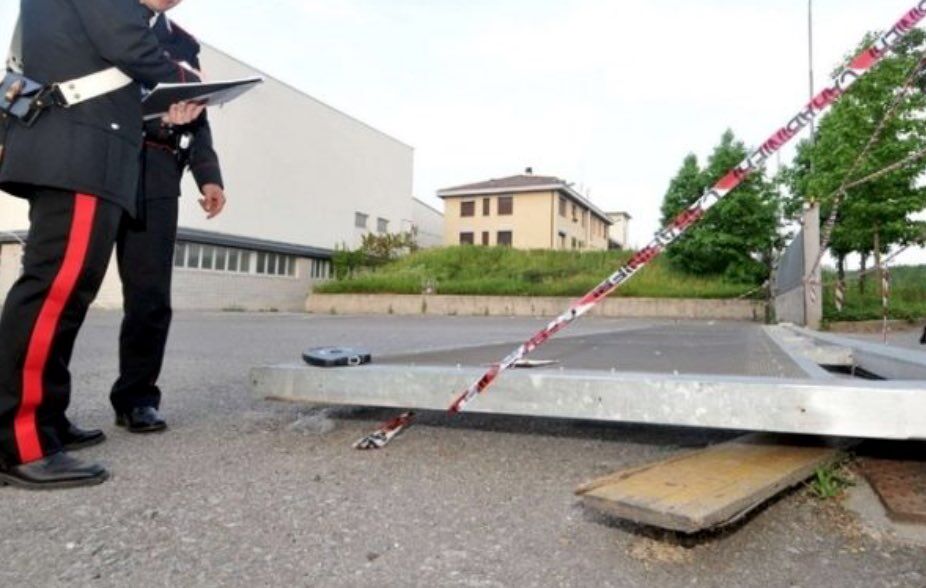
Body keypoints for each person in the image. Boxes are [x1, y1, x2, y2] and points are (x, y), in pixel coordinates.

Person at [0, 0, 203, 490]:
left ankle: (46, 419)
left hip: (86, 149)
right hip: (81, 149)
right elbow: (129, 44)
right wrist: (187, 82)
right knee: (53, 295)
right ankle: (18, 440)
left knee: (67, 298)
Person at [110, 3, 226, 433]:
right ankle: (46, 407)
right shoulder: (105, 18)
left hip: (156, 173)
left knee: (150, 296)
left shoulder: (184, 44)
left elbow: (197, 114)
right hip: (100, 161)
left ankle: (137, 398)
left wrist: (208, 176)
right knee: (72, 288)